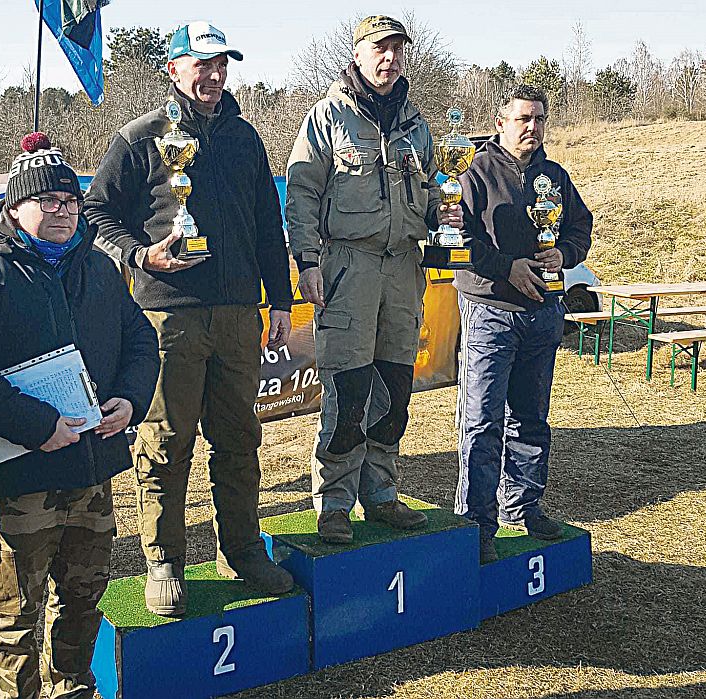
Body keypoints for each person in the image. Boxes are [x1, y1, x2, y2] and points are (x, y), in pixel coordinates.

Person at [85, 20, 295, 616]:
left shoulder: (245, 137)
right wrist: (139, 254)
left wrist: (280, 299)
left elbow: (267, 222)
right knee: (165, 442)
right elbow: (96, 211)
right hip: (168, 316)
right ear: (174, 69)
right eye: (202, 64)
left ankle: (242, 549)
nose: (214, 74)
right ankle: (164, 561)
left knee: (239, 438)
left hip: (237, 313)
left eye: (222, 63)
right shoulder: (140, 138)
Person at [0, 133, 159, 699]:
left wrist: (130, 400)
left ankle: (73, 686)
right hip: (26, 476)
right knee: (17, 611)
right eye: (48, 200)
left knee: (85, 598)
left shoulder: (100, 268)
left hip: (93, 468)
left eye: (70, 200)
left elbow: (140, 340)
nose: (63, 210)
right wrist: (36, 426)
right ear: (15, 207)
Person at [285, 15, 464, 545]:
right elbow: (301, 193)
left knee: (395, 386)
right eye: (379, 48)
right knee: (347, 390)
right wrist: (307, 262)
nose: (389, 58)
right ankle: (334, 503)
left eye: (397, 49)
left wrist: (444, 214)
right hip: (349, 267)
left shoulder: (416, 123)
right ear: (358, 53)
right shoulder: (327, 116)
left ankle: (381, 493)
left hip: (404, 268)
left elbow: (429, 192)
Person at [453, 85, 593, 563]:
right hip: (490, 311)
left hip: (542, 314)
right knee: (482, 421)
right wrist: (505, 267)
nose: (532, 127)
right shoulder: (472, 172)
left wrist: (565, 254)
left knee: (531, 419)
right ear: (500, 123)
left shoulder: (554, 176)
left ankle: (523, 506)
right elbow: (458, 239)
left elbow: (580, 227)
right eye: (522, 119)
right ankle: (477, 523)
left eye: (539, 119)